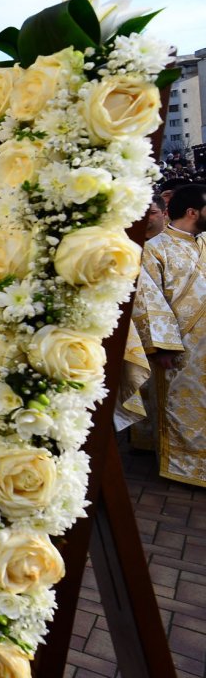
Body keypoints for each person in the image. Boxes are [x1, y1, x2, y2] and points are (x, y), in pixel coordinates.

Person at [132, 184, 206, 487]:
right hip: (182, 348)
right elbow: (148, 299)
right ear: (192, 212)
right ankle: (185, 464)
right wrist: (161, 346)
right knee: (181, 406)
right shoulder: (155, 249)